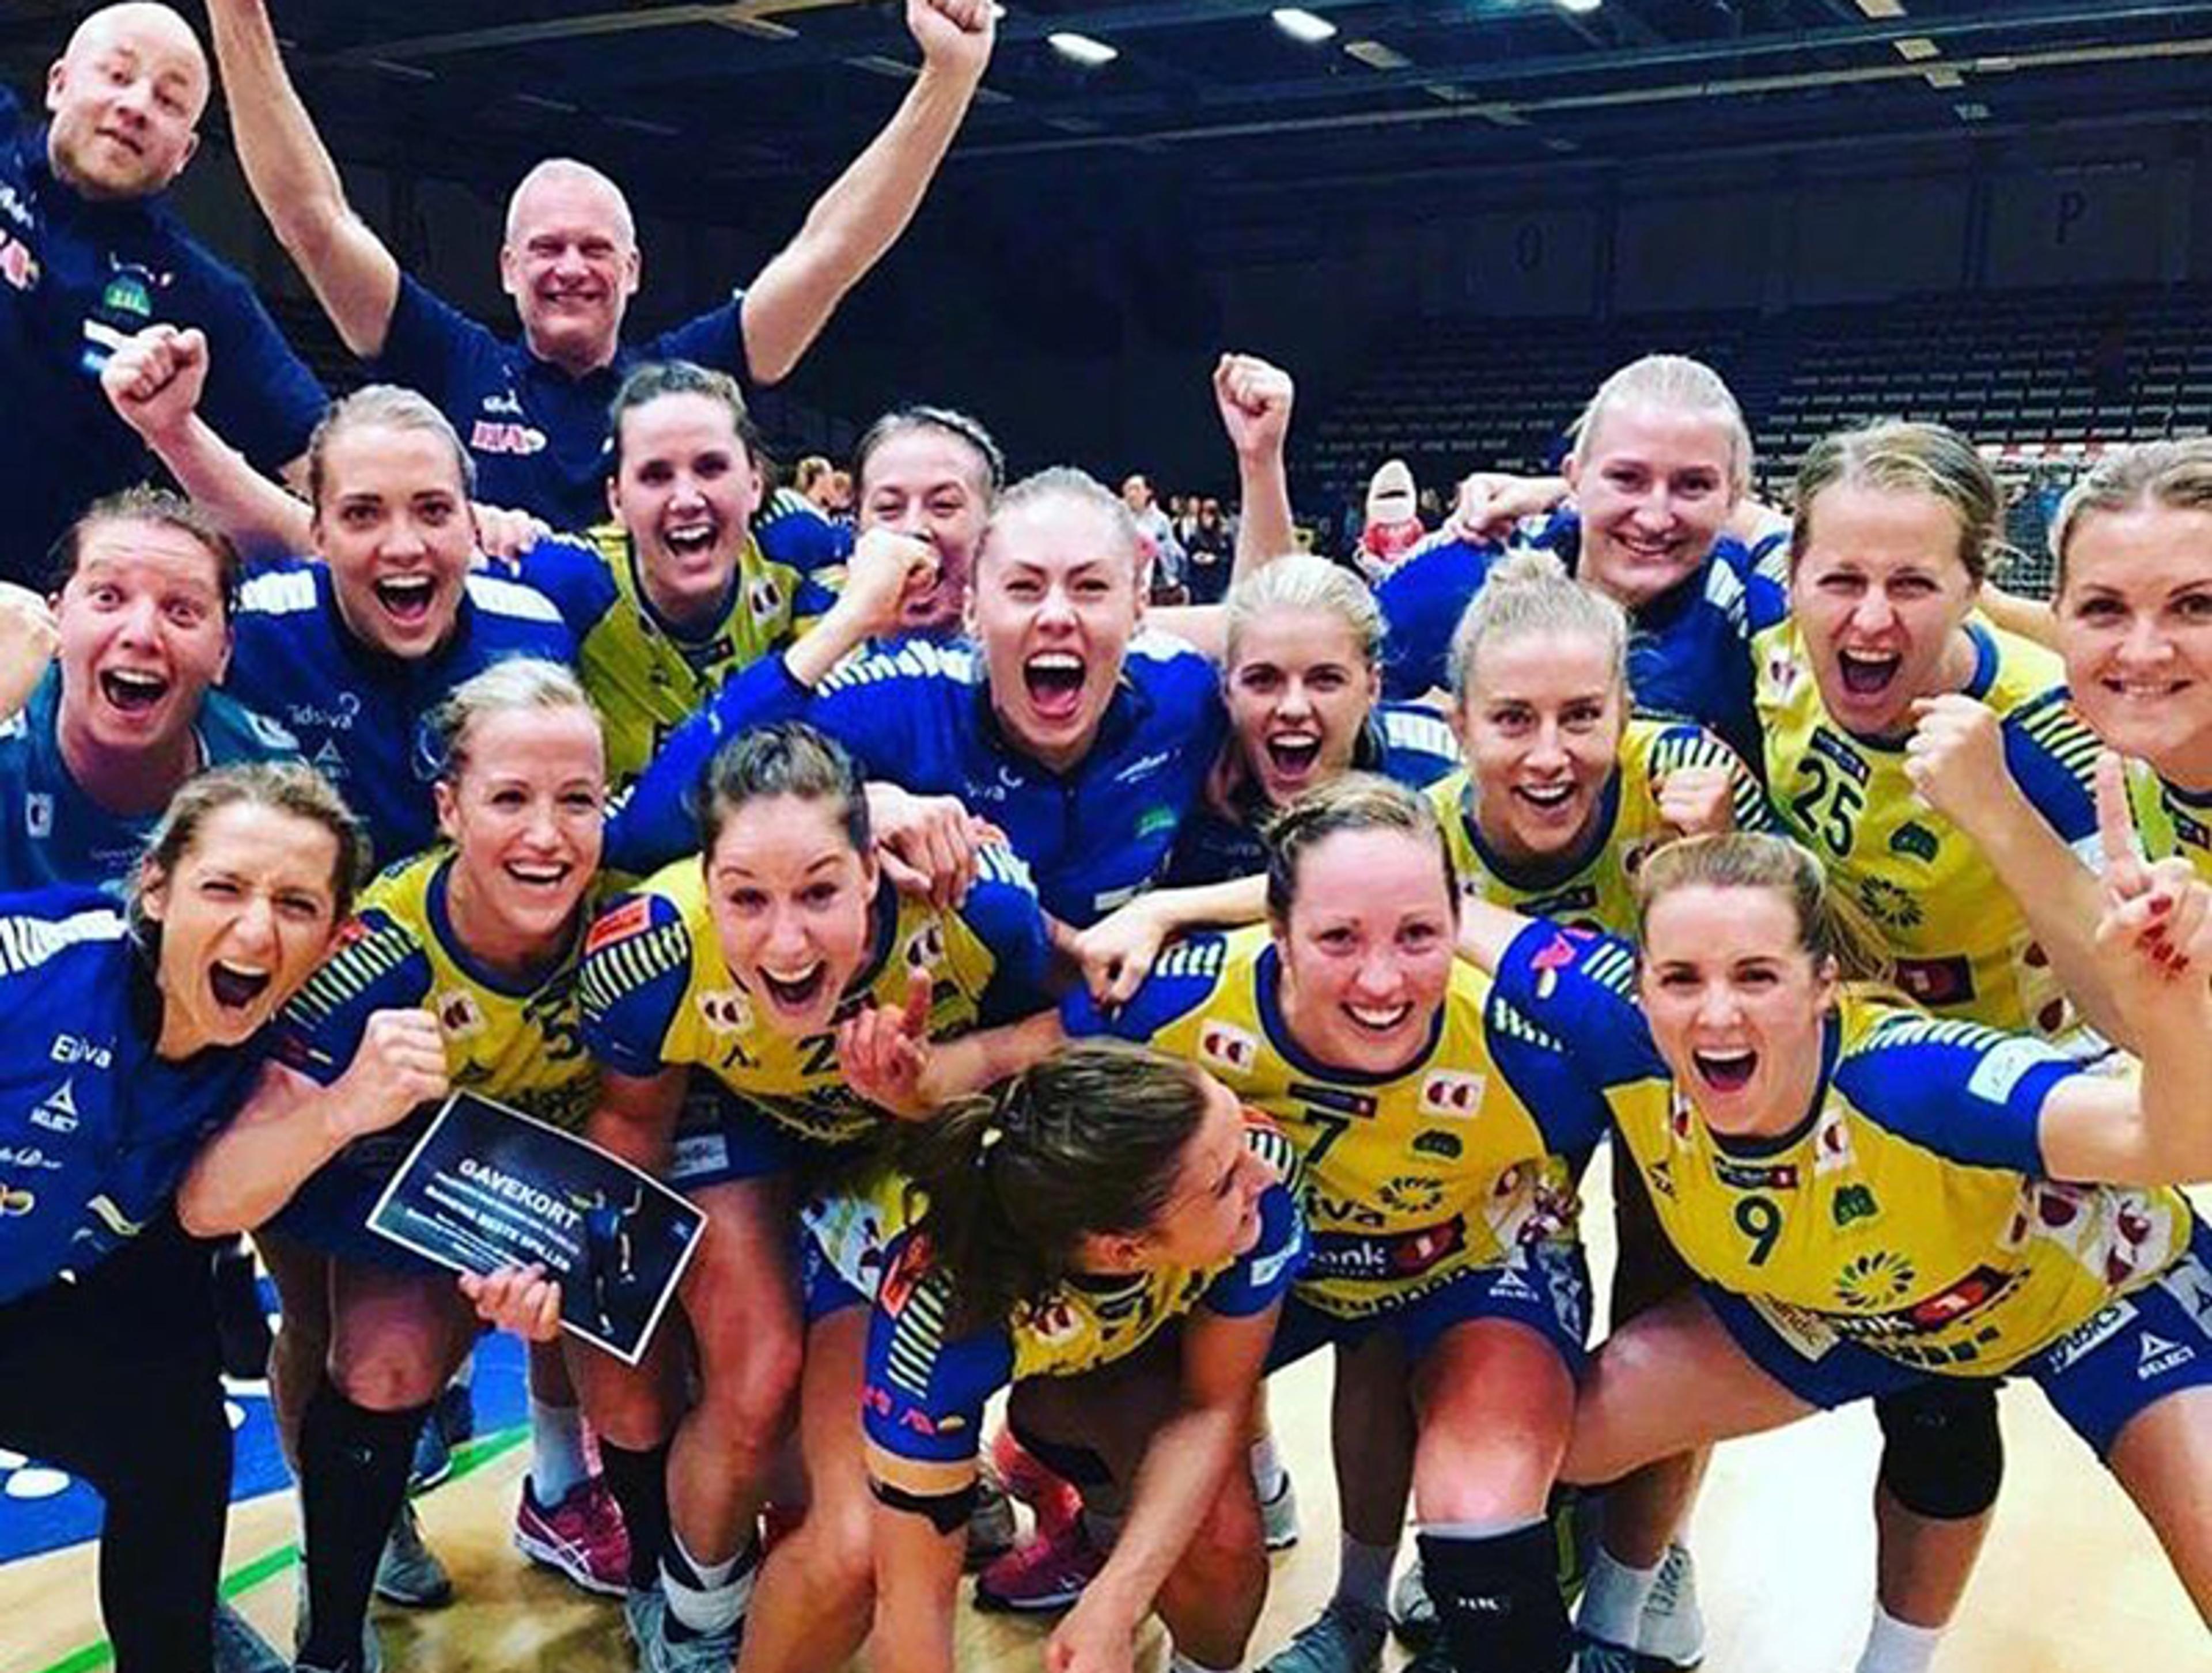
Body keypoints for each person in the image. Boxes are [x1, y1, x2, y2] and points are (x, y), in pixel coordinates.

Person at [887, 778, 1614, 1673]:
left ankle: (1540, 1554)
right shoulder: (1183, 997)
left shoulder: (1535, 1042)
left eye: (1419, 935)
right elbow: (995, 1063)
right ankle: (1184, 1557)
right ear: (1277, 932)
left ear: (1461, 924)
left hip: (1468, 1259)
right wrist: (904, 1079)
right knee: (1069, 1402)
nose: (1382, 979)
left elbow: (1680, 1144)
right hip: (1271, 1253)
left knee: (1481, 1508)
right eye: (1338, 939)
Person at [1455, 828, 2212, 1656]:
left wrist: (2171, 1010)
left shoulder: (1913, 1078)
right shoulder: (1611, 1020)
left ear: (1823, 984)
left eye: (1756, 976)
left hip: (2093, 1305)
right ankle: (1618, 1599)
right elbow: (1437, 910)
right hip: (1846, 1317)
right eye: (1681, 978)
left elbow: (2178, 1144)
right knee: (1538, 1446)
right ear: (1641, 985)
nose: (1716, 1014)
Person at [576, 721, 1053, 1668]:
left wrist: (935, 1082)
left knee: (856, 1521)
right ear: (705, 879)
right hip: (737, 1124)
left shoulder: (981, 911)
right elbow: (631, 1129)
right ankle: (696, 1613)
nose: (787, 940)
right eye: (747, 897)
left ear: (872, 870)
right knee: (754, 1374)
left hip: (897, 1147)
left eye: (820, 891)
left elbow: (1056, 1051)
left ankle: (947, 1469)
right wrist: (591, 1298)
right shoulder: (649, 952)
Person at [177, 660, 619, 1672]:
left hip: (527, 1176)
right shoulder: (368, 958)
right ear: (448, 807)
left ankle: (621, 1546)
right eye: (509, 799)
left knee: (636, 1325)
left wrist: (894, 812)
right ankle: (335, 1593)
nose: (546, 834)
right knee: (358, 1348)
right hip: (361, 1163)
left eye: (576, 800)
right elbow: (229, 1182)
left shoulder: (632, 904)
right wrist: (347, 1108)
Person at [202, 0, 997, 532]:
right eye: (546, 249)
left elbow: (831, 253)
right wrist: (237, 12)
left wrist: (948, 76)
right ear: (507, 268)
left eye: (595, 249)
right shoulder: (449, 362)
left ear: (635, 269)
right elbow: (314, 222)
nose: (571, 268)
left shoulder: (685, 383)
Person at [746, 1040, 1304, 1673]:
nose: (1263, 1174)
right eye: (1226, 1181)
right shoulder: (937, 1322)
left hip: (1074, 1317)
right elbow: (914, 1610)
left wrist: (1115, 1604)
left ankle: (1042, 1448)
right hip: (873, 1283)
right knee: (852, 1551)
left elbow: (1212, 1407)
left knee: (1220, 1540)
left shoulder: (1256, 1175)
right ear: (1125, 1249)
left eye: (1237, 1132)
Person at [0, 762, 362, 1673]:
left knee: (176, 1439)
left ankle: (177, 1630)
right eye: (224, 889)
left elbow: (207, 1212)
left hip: (33, 1295)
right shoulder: (34, 967)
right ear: (155, 889)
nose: (256, 930)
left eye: (295, 904)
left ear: (335, 938)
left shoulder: (293, 1057)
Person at [605, 468, 1226, 930]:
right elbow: (650, 828)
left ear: (1138, 606)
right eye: (1024, 588)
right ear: (973, 611)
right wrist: (848, 810)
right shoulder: (900, 700)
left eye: (1090, 588)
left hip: (1114, 1018)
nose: (1057, 615)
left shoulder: (1188, 695)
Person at [0, 2, 325, 584]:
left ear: (186, 155)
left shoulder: (203, 298)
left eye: (169, 101)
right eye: (117, 75)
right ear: (58, 84)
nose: (136, 106)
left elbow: (331, 474)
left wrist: (452, 513)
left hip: (46, 614)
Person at [221, 385, 577, 862]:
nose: (404, 546)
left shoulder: (534, 634)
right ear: (319, 535)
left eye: (433, 511)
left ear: (472, 524)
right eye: (363, 515)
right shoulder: (255, 629)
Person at [1375, 355, 1785, 769]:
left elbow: (1809, 540)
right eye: (1626, 478)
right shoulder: (1453, 579)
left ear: (1734, 498)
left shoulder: (1756, 617)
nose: (1655, 519)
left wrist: (1554, 492)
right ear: (1576, 474)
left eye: (1693, 485)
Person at [510, 361, 841, 787]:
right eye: (656, 476)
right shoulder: (572, 580)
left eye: (710, 467)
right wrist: (481, 525)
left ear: (756, 484)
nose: (686, 499)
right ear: (617, 501)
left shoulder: (798, 545)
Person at [0, 486, 298, 891]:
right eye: (108, 598)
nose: (141, 635)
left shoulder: (271, 788)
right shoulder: (8, 730)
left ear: (223, 652)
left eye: (182, 611)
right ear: (55, 620)